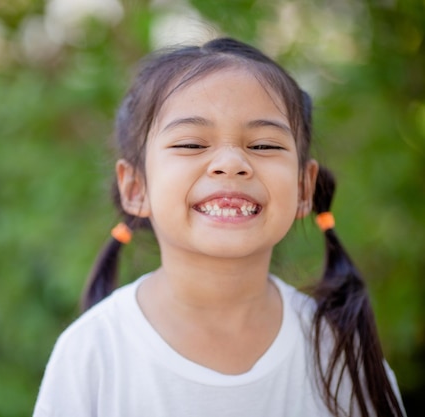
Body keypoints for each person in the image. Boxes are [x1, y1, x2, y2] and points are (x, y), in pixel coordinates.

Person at [33, 37, 405, 417]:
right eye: (192, 144)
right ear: (135, 187)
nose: (231, 163)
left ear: (303, 188)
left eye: (263, 146)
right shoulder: (93, 352)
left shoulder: (339, 355)